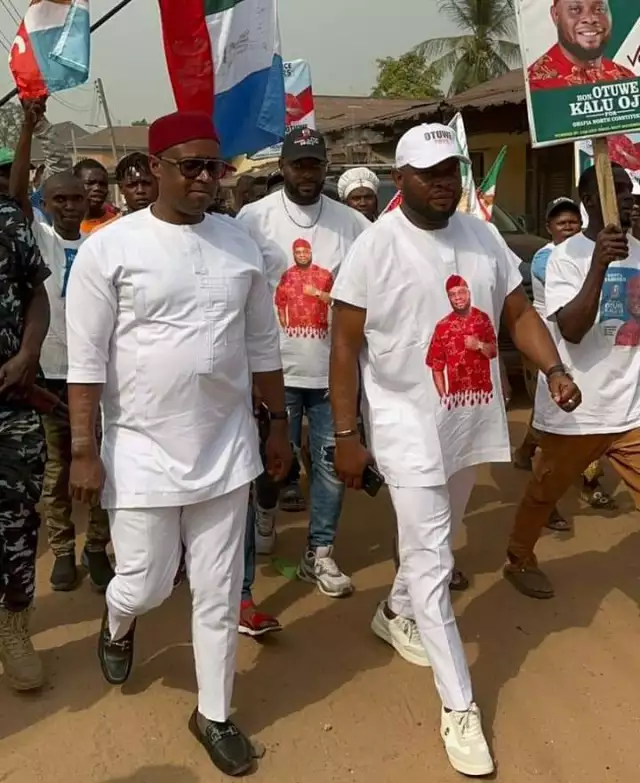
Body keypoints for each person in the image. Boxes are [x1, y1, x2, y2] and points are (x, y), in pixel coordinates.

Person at [329, 122, 580, 776]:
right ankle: (459, 705)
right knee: (436, 558)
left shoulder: (482, 234)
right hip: (405, 425)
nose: (446, 183)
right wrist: (347, 434)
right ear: (403, 177)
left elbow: (519, 312)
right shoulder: (376, 247)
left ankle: (392, 611)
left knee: (438, 538)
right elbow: (344, 347)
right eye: (432, 172)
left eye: (454, 171)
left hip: (470, 421)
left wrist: (553, 369)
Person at [65, 110, 291, 776]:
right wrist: (84, 449)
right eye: (188, 165)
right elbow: (86, 361)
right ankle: (117, 621)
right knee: (147, 581)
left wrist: (276, 422)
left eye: (213, 167)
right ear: (154, 167)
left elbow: (262, 344)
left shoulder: (240, 244)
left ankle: (213, 711)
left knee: (219, 590)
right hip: (139, 451)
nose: (203, 178)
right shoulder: (113, 247)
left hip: (225, 448)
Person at [237, 126, 370, 597]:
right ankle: (266, 513)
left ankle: (321, 553)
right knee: (273, 464)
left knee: (331, 465)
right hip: (276, 372)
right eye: (299, 164)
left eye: (315, 164)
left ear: (326, 166)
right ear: (283, 167)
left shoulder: (352, 225)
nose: (307, 173)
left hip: (334, 372)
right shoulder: (253, 220)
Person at [504, 164, 640, 600]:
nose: (625, 197)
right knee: (544, 493)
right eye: (613, 188)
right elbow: (573, 328)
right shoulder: (563, 257)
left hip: (631, 407)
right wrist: (599, 264)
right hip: (579, 408)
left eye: (627, 189)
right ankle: (519, 558)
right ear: (589, 197)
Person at [9, 99, 114, 594]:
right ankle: (63, 547)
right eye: (61, 200)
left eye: (78, 198)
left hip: (93, 376)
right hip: (48, 374)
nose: (71, 205)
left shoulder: (106, 243)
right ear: (47, 204)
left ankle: (97, 545)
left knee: (96, 461)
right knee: (55, 471)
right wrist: (29, 127)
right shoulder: (38, 239)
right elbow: (15, 199)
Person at [515, 197, 614, 526]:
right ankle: (545, 501)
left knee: (576, 420)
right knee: (555, 425)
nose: (569, 227)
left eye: (574, 222)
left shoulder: (586, 254)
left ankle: (586, 481)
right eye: (561, 223)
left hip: (591, 353)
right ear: (549, 229)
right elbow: (575, 308)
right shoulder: (548, 258)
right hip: (551, 350)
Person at [0, 191, 50, 691]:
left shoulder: (7, 218)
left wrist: (29, 352)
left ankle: (14, 626)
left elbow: (36, 293)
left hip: (10, 400)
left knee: (17, 517)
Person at [528, 0, 635, 91]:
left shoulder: (625, 77)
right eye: (575, 9)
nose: (590, 19)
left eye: (599, 9)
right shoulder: (537, 86)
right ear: (555, 15)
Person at [73, 158, 118, 234]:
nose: (97, 188)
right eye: (90, 183)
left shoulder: (116, 223)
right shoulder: (65, 227)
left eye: (103, 184)